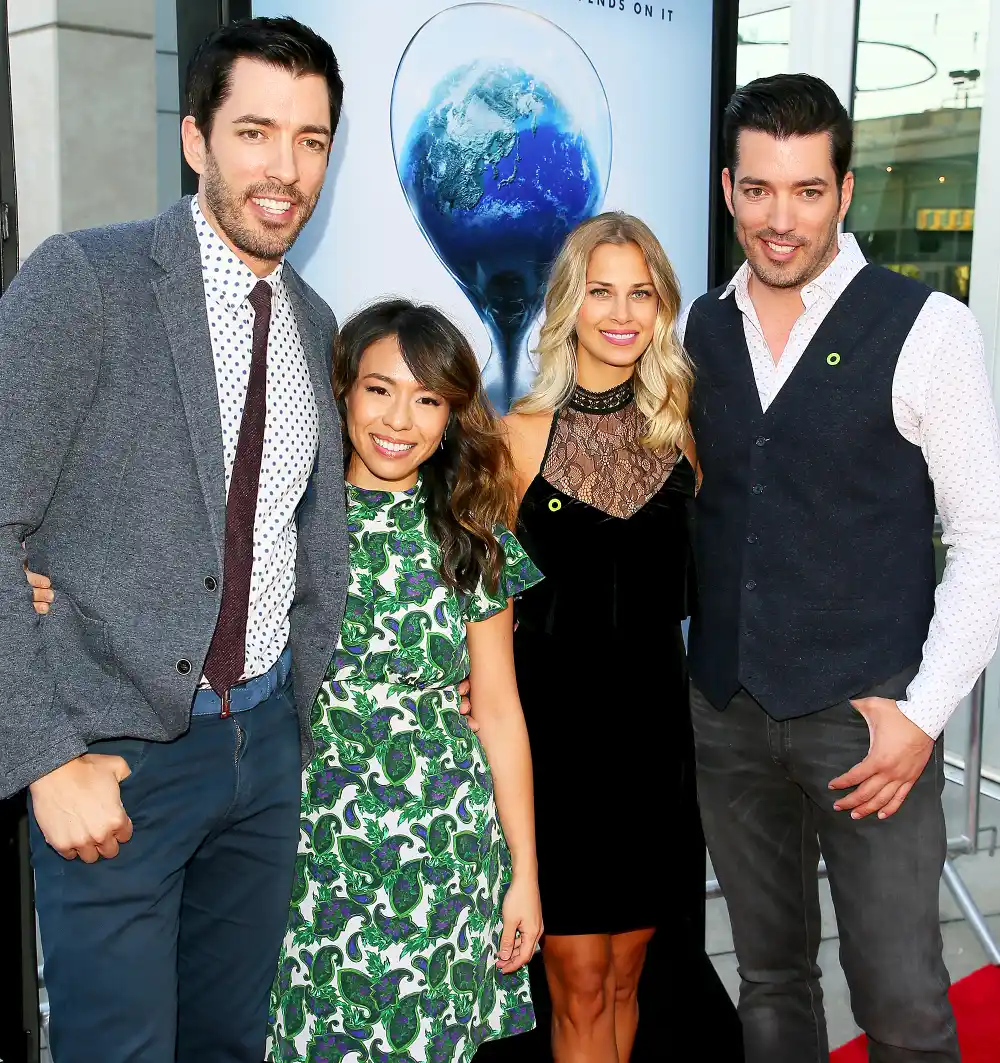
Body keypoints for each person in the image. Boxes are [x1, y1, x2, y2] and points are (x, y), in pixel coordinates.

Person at [0, 17, 349, 1062]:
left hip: (263, 752)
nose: (284, 169)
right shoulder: (86, 282)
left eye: (312, 139)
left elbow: (303, 543)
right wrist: (44, 755)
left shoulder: (316, 323)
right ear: (196, 139)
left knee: (229, 1047)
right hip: (116, 761)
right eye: (255, 131)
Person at [680, 73, 1000, 1063]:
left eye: (808, 190)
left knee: (901, 1002)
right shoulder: (697, 328)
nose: (782, 219)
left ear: (844, 191)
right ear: (730, 188)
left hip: (870, 727)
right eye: (761, 190)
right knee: (769, 980)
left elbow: (986, 536)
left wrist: (923, 714)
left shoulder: (927, 328)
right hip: (727, 717)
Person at [256, 299, 542, 1061]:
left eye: (428, 400)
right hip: (310, 856)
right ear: (343, 388)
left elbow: (502, 711)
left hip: (445, 852)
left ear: (450, 417)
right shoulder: (285, 523)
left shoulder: (471, 533)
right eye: (380, 389)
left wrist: (525, 875)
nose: (399, 419)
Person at [503, 213, 741, 1062]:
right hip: (555, 750)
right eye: (601, 290)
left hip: (653, 748)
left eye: (641, 293)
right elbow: (472, 597)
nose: (621, 311)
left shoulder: (684, 441)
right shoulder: (514, 440)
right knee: (572, 980)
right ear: (569, 303)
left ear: (662, 308)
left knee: (630, 974)